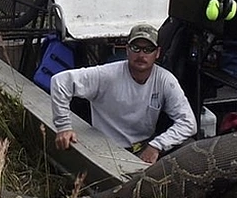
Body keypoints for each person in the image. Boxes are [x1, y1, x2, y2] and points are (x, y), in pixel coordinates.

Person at [50, 23, 197, 164]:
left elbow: (189, 123)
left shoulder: (165, 80)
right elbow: (60, 81)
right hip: (105, 150)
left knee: (190, 146)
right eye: (135, 48)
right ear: (127, 50)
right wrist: (64, 127)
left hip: (144, 148)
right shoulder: (107, 74)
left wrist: (157, 145)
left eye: (148, 49)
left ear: (157, 53)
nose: (141, 54)